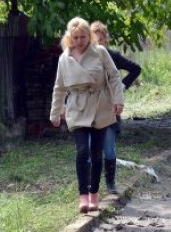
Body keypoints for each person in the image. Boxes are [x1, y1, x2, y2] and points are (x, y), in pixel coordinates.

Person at [50, 17, 124, 213]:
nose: (80, 40)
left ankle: (94, 194)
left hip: (100, 105)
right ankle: (83, 195)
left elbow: (114, 76)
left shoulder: (99, 52)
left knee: (96, 153)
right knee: (82, 151)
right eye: (75, 37)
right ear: (69, 37)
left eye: (83, 36)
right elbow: (59, 87)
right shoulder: (64, 59)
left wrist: (118, 100)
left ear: (89, 36)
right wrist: (55, 112)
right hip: (77, 108)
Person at [90, 21, 141, 193]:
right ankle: (91, 187)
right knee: (90, 150)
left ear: (105, 40)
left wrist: (122, 86)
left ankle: (111, 183)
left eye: (101, 39)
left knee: (108, 148)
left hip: (110, 108)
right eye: (94, 39)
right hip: (89, 111)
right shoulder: (82, 58)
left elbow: (136, 69)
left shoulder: (113, 56)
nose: (98, 43)